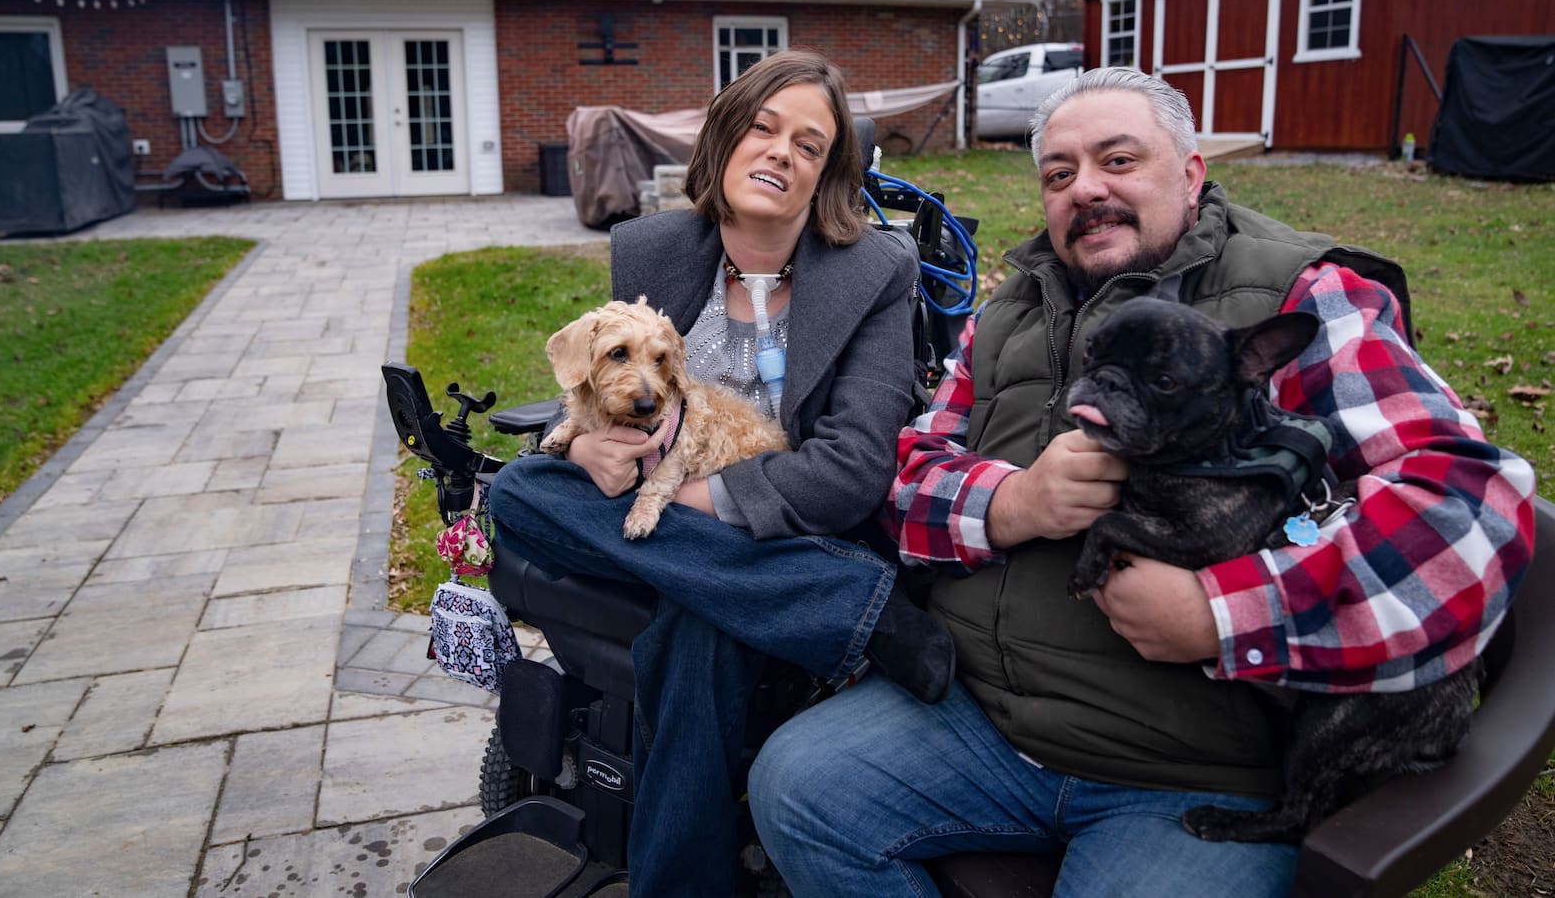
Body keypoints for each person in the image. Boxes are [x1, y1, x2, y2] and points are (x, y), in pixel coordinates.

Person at [748, 67, 1537, 897]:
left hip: (1200, 769)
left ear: (1189, 172)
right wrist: (1011, 503)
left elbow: (1466, 510)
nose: (1085, 189)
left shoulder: (1304, 297)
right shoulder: (1003, 316)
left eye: (1117, 160)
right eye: (1058, 174)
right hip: (975, 716)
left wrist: (1223, 616)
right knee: (794, 789)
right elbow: (904, 482)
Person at [486, 48, 956, 897]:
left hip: (784, 517)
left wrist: (696, 502)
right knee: (518, 488)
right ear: (726, 139)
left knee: (698, 627)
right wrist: (587, 445)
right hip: (706, 532)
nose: (780, 152)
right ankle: (849, 604)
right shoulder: (652, 249)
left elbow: (852, 467)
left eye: (809, 145)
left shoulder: (875, 272)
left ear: (827, 175)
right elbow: (615, 388)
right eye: (763, 127)